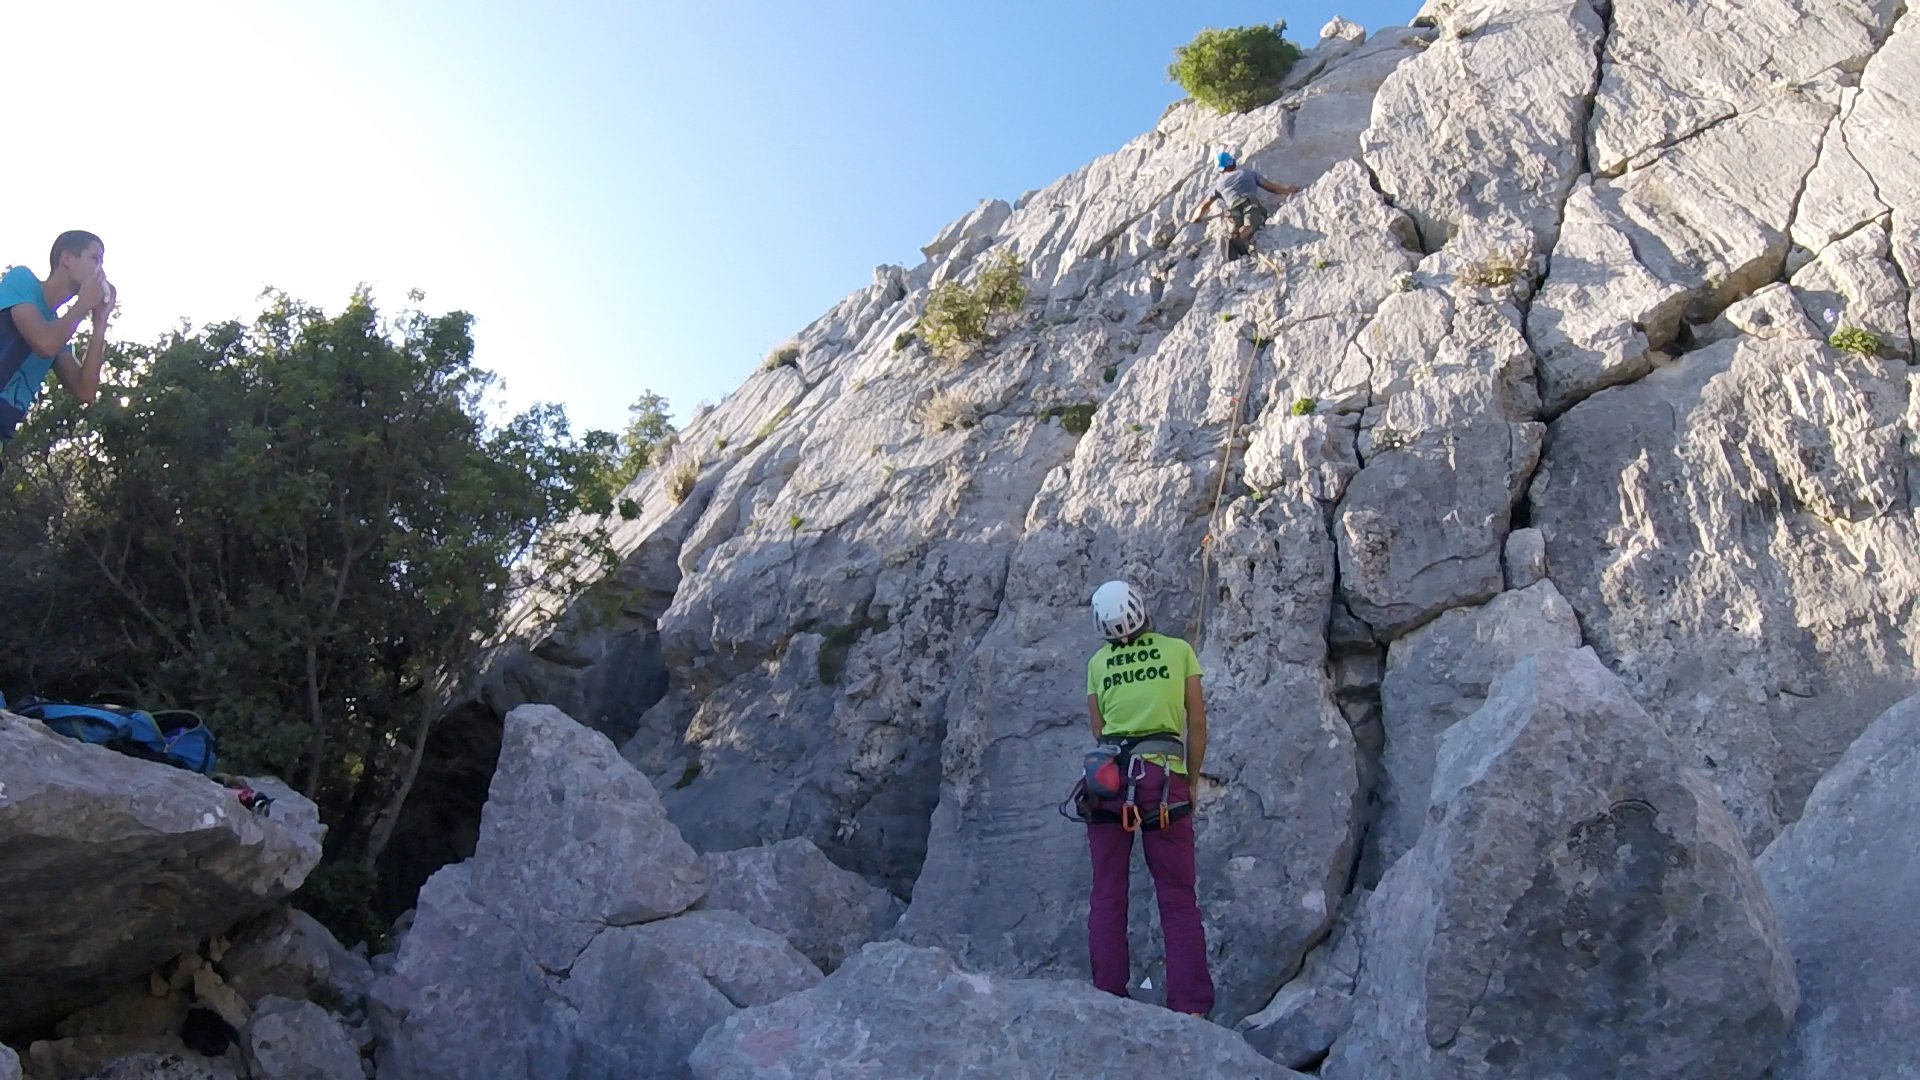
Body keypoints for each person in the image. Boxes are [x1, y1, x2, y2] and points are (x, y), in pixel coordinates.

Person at [1082, 579, 1215, 1017]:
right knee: (1177, 896)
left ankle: (1108, 997)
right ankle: (1190, 1006)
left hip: (1110, 782)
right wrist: (1191, 781)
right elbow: (1196, 723)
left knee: (1107, 892)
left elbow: (1100, 731)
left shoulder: (1098, 663)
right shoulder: (1179, 651)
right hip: (1163, 780)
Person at [1, 231, 116, 454]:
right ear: (67, 258)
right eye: (95, 258)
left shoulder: (58, 329)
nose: (100, 271)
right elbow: (45, 343)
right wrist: (83, 304)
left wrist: (100, 322)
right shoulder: (22, 280)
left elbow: (86, 391)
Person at [1191, 151, 1299, 259]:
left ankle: (1236, 237)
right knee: (1254, 221)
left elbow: (1203, 206)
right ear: (1233, 162)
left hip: (1232, 209)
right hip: (1249, 203)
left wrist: (1195, 218)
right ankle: (1239, 240)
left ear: (1220, 169)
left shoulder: (1219, 185)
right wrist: (1289, 190)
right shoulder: (1247, 173)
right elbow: (1272, 188)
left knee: (1238, 224)